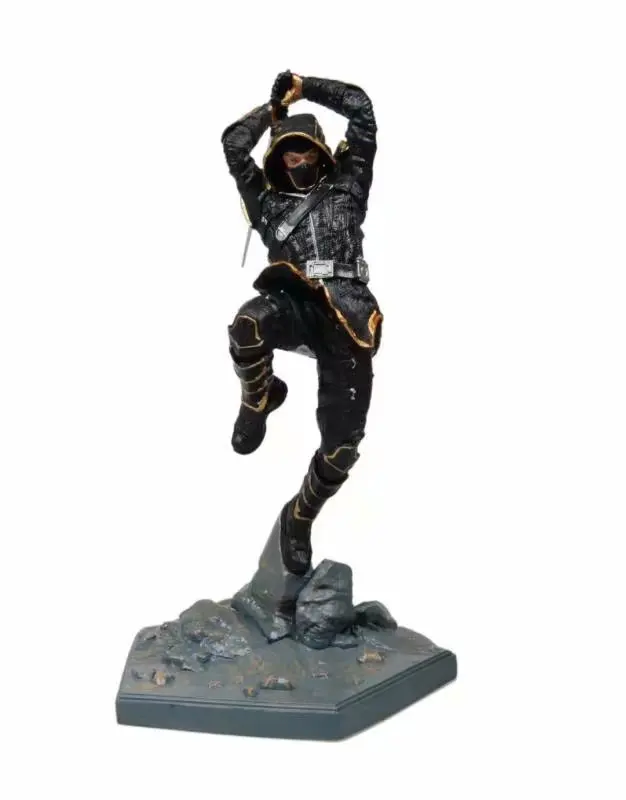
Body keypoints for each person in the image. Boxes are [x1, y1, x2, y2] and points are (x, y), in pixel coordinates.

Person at [221, 71, 382, 576]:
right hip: (293, 304)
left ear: (322, 153)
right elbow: (233, 145)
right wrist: (272, 113)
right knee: (247, 325)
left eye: (306, 152)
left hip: (348, 317)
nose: (299, 162)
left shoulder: (348, 184)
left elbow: (361, 109)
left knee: (342, 448)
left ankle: (300, 519)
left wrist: (304, 86)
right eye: (288, 155)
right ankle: (260, 397)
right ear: (277, 158)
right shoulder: (266, 202)